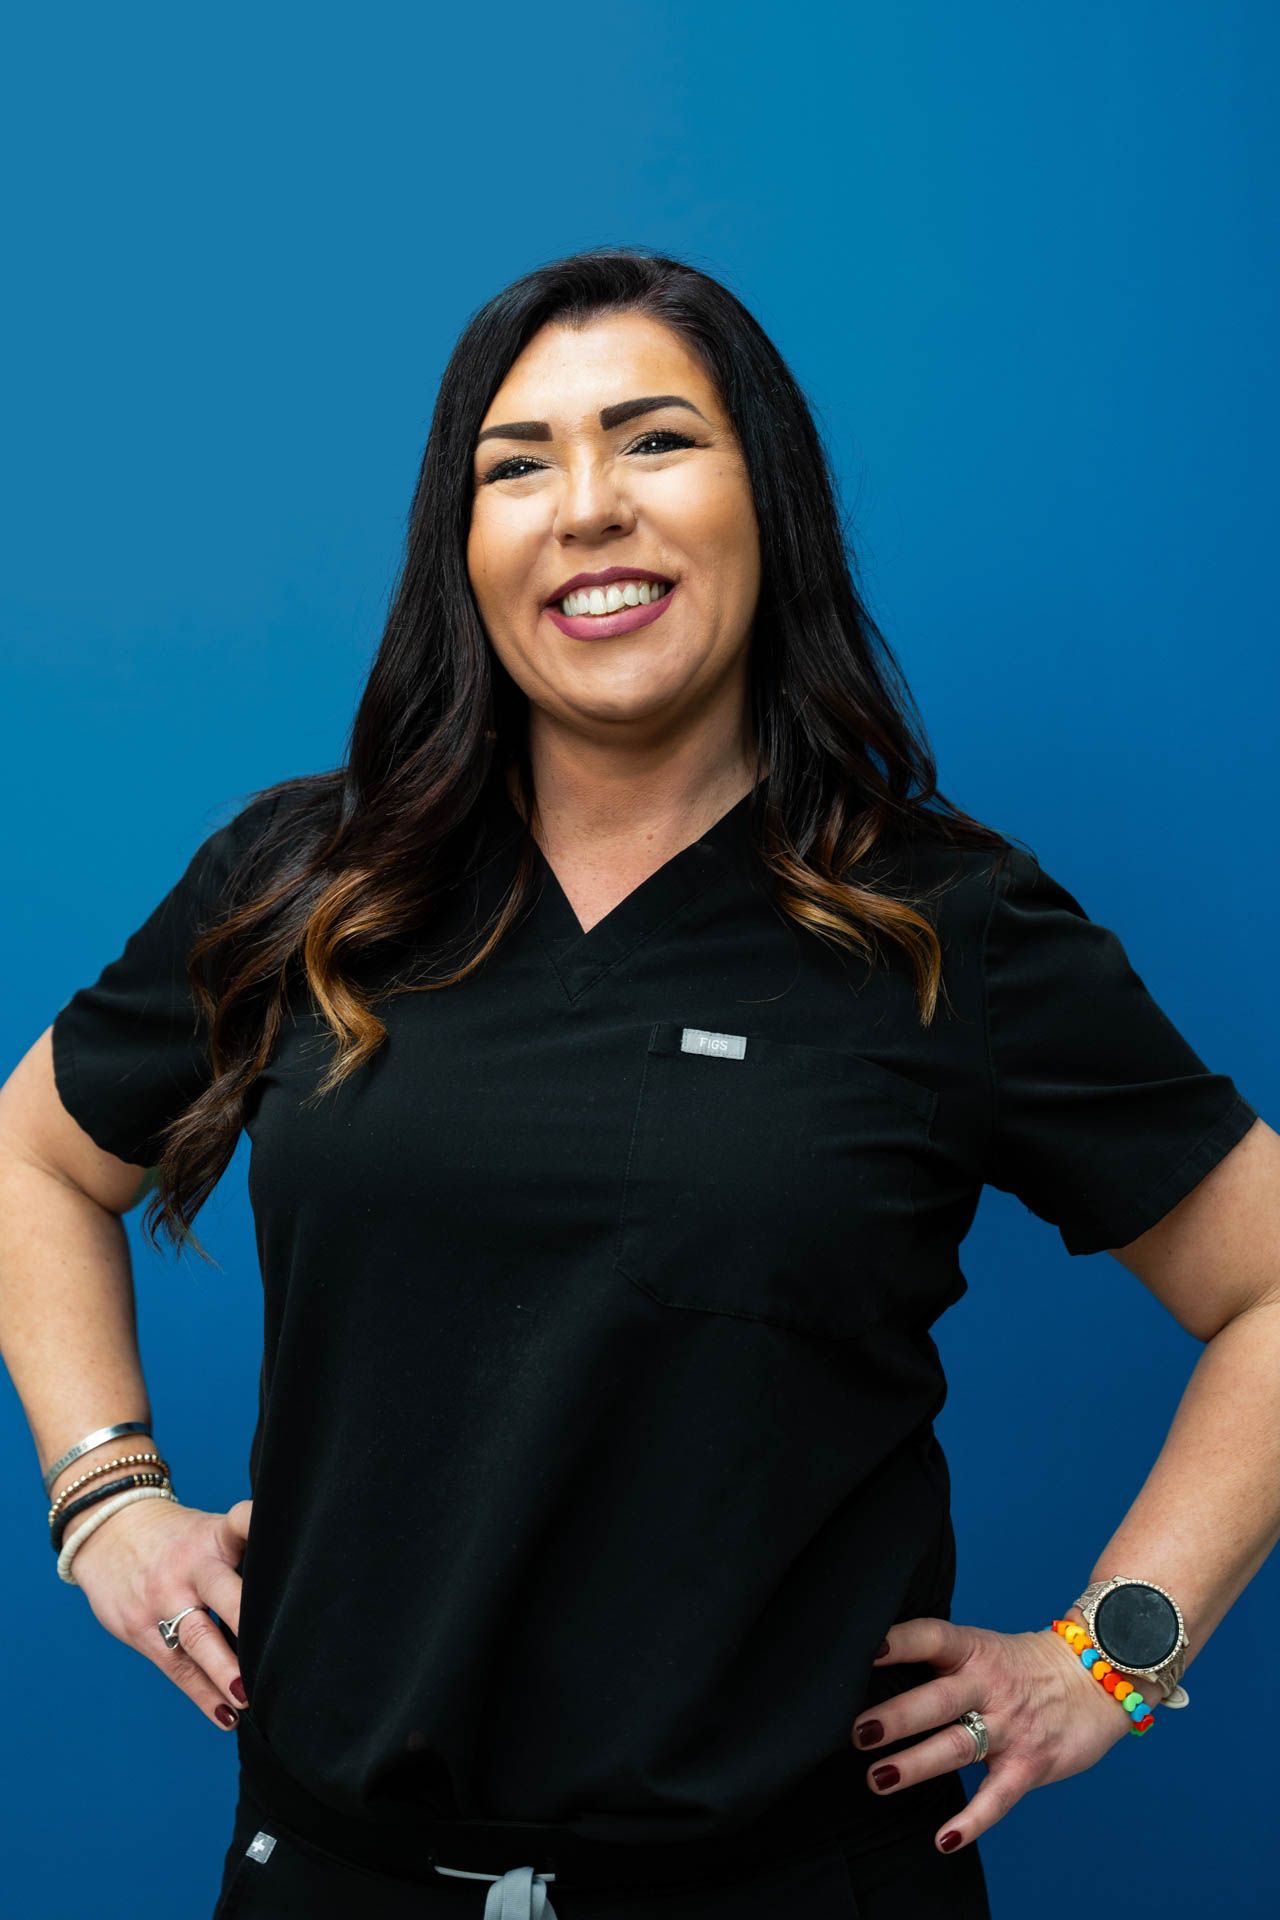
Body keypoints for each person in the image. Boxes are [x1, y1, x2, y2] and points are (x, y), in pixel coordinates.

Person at [3, 246, 1275, 1920]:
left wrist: (1113, 1660)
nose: (584, 506)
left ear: (774, 501)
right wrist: (107, 1501)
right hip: (335, 1870)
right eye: (515, 466)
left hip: (800, 1884)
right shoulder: (312, 880)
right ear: (465, 550)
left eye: (654, 440)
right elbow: (38, 1157)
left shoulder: (945, 926)